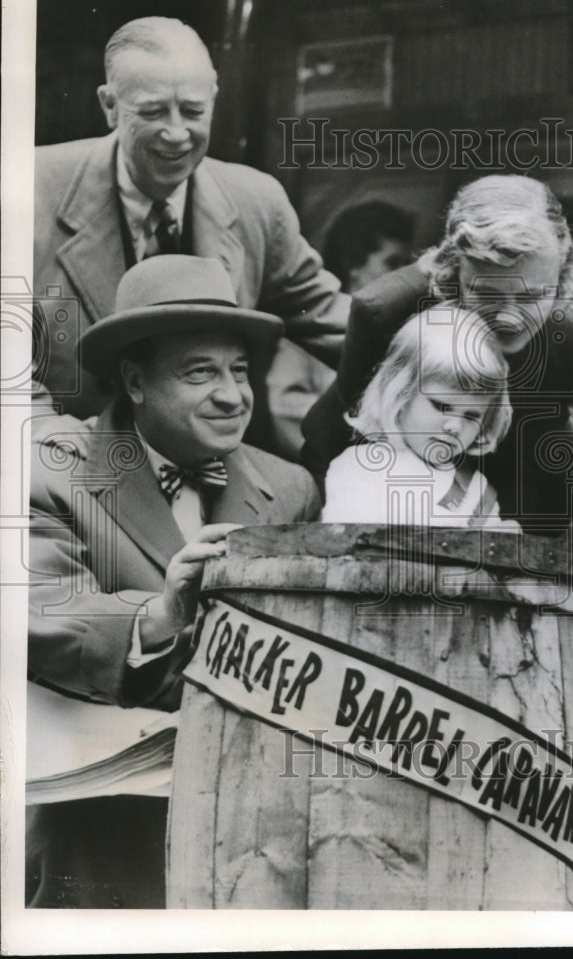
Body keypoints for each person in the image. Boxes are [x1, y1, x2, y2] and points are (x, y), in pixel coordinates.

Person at [27, 255, 321, 908]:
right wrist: (157, 617)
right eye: (200, 372)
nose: (232, 394)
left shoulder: (289, 487)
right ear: (134, 379)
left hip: (257, 828)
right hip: (101, 833)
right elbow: (35, 613)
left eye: (239, 370)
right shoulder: (48, 472)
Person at [32, 15, 349, 440]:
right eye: (153, 111)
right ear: (109, 106)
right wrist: (61, 445)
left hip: (210, 478)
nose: (177, 132)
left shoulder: (257, 202)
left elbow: (340, 328)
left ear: (214, 100)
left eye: (194, 111)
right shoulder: (26, 190)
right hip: (68, 474)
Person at [302, 174, 573, 536]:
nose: (509, 317)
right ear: (453, 271)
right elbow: (346, 438)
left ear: (563, 274)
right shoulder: (385, 313)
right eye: (488, 294)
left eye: (532, 297)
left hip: (507, 455)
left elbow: (538, 470)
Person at [322, 306, 515, 529]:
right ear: (399, 394)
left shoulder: (476, 490)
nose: (455, 426)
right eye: (441, 406)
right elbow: (347, 544)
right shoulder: (361, 467)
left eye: (472, 416)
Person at [265, 201, 415, 459]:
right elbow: (284, 406)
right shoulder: (313, 323)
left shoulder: (408, 327)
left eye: (406, 263)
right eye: (392, 262)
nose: (402, 274)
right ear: (353, 264)